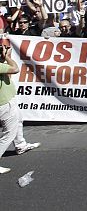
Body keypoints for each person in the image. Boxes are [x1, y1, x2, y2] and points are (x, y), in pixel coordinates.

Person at [0, 39, 40, 174]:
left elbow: (8, 77)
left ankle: (20, 145)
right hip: (4, 104)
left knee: (18, 121)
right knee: (8, 134)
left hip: (8, 100)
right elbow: (15, 69)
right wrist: (7, 57)